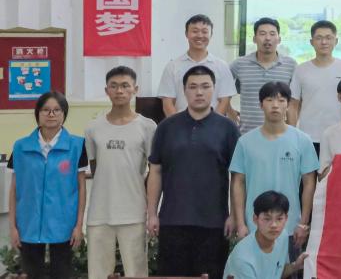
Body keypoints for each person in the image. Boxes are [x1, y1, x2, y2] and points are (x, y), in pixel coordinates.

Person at [147, 65, 240, 279]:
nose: (199, 92)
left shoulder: (228, 128)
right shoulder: (166, 127)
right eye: (193, 87)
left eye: (205, 86)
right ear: (184, 90)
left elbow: (237, 177)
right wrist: (152, 213)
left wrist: (234, 215)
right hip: (172, 221)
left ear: (214, 89)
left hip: (214, 223)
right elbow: (156, 171)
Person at [84, 66, 157, 279]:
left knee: (136, 272)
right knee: (98, 273)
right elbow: (95, 167)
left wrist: (151, 210)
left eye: (125, 85)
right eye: (114, 86)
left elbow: (154, 171)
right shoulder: (93, 128)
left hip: (134, 211)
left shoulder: (148, 127)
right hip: (99, 212)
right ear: (106, 90)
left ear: (135, 89)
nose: (119, 91)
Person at [230, 81, 318, 249]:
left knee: (289, 265)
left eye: (281, 100)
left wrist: (303, 223)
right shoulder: (245, 142)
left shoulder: (302, 140)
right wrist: (241, 223)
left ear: (288, 104)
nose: (275, 105)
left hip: (290, 227)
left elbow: (309, 183)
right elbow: (238, 183)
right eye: (269, 100)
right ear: (260, 105)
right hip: (254, 226)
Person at [8, 92, 87, 279]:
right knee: (32, 274)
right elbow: (14, 190)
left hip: (64, 224)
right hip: (28, 224)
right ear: (38, 113)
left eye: (57, 110)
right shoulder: (20, 147)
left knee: (62, 274)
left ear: (64, 114)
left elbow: (81, 188)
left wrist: (78, 225)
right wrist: (13, 227)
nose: (51, 114)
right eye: (46, 110)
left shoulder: (77, 146)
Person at [289, 20, 341, 156]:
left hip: (339, 136)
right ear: (311, 42)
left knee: (336, 171)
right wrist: (291, 134)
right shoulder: (301, 69)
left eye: (328, 38)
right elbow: (293, 105)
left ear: (336, 41)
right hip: (307, 137)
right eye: (319, 38)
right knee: (308, 171)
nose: (324, 42)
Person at [157, 13, 236, 118]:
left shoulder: (222, 66)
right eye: (195, 31)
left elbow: (224, 101)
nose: (199, 35)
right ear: (186, 34)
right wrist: (178, 125)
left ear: (211, 34)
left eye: (204, 32)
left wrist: (212, 124)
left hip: (213, 125)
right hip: (181, 124)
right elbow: (168, 103)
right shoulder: (173, 66)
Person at [231, 17, 297, 134]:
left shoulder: (290, 65)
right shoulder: (240, 64)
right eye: (262, 34)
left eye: (272, 34)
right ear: (254, 39)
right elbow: (220, 87)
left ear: (279, 39)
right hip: (247, 133)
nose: (267, 38)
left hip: (280, 134)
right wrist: (230, 112)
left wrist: (292, 130)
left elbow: (295, 101)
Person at [224, 190, 307, 279]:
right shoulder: (242, 258)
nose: (274, 225)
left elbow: (276, 273)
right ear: (255, 219)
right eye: (267, 219)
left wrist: (295, 266)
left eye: (279, 219)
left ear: (286, 218)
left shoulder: (282, 236)